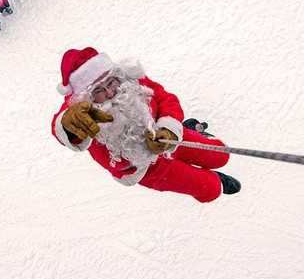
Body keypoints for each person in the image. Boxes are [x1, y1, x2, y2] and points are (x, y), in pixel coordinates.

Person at [51, 47, 241, 203]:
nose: (110, 93)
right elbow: (62, 126)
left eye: (111, 82)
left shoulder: (132, 81)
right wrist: (67, 126)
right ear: (86, 97)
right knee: (207, 187)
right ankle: (218, 183)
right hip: (148, 170)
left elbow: (166, 99)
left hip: (167, 136)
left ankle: (189, 132)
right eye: (99, 91)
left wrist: (169, 130)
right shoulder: (82, 114)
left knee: (220, 155)